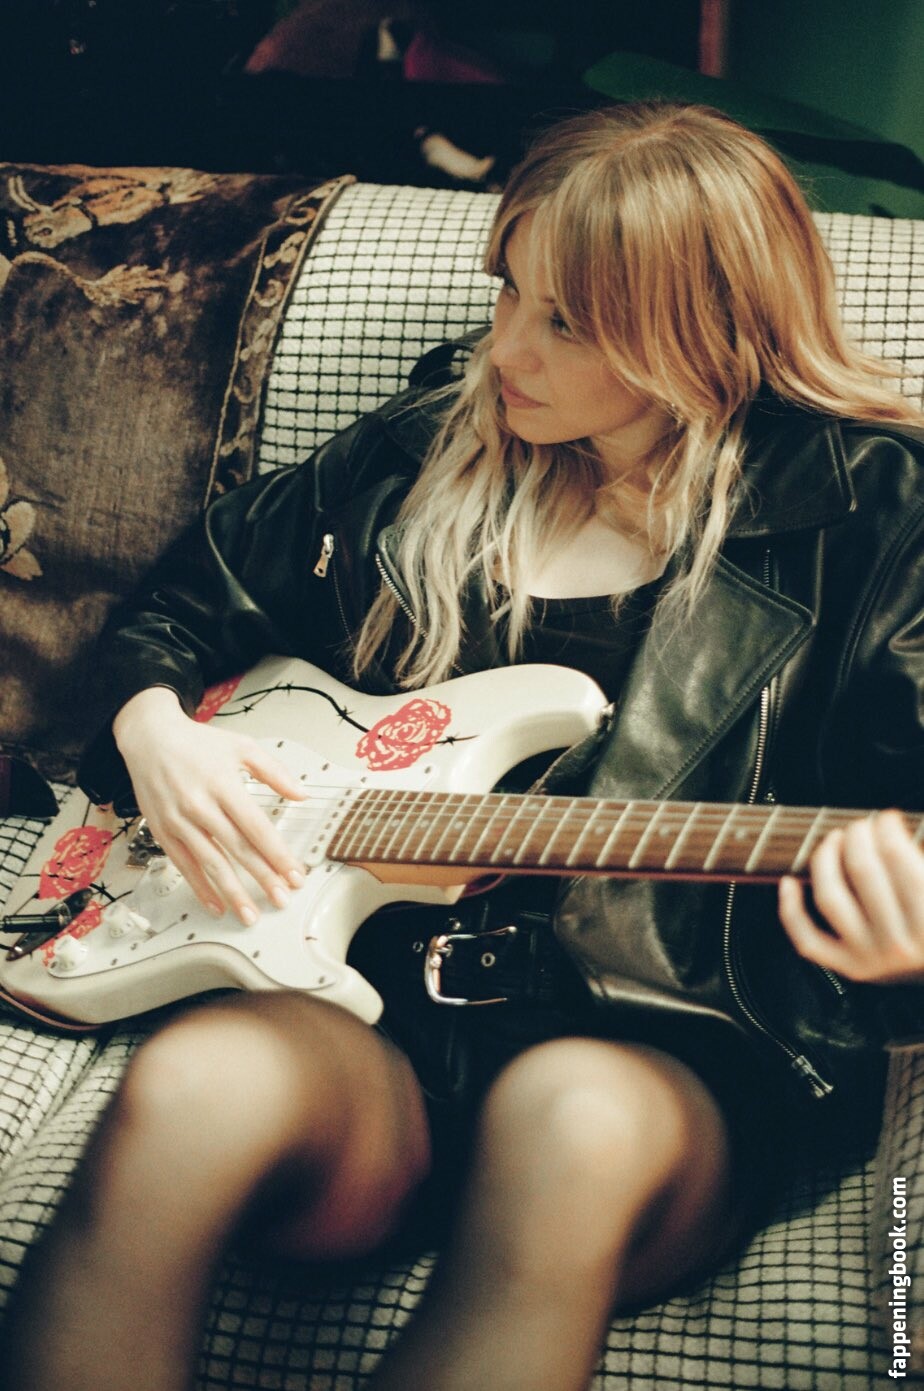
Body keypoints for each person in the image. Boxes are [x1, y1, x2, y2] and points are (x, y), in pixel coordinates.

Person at [2, 101, 924, 1391]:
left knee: (570, 1117)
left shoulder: (872, 510)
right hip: (372, 1027)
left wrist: (902, 959)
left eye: (567, 322)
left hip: (661, 1060)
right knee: (192, 1082)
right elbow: (188, 599)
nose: (507, 349)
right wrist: (156, 729)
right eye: (508, 293)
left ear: (696, 328)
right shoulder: (435, 435)